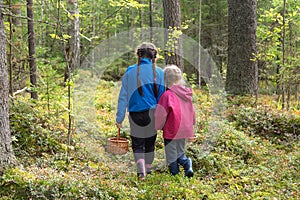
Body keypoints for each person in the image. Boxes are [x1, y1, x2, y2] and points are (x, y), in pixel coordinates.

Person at [116, 42, 165, 180]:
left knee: (137, 144)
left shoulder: (130, 71)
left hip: (135, 113)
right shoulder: (160, 72)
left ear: (139, 54)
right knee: (150, 143)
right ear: (153, 55)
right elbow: (162, 98)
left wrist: (119, 118)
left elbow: (123, 96)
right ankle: (148, 169)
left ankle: (141, 172)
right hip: (153, 114)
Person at [155, 65, 195, 178]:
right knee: (180, 152)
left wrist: (157, 126)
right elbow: (192, 111)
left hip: (172, 130)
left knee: (171, 154)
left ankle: (175, 176)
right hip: (184, 129)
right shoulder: (187, 94)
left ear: (165, 79)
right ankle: (187, 163)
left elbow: (161, 114)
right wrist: (191, 124)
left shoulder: (167, 95)